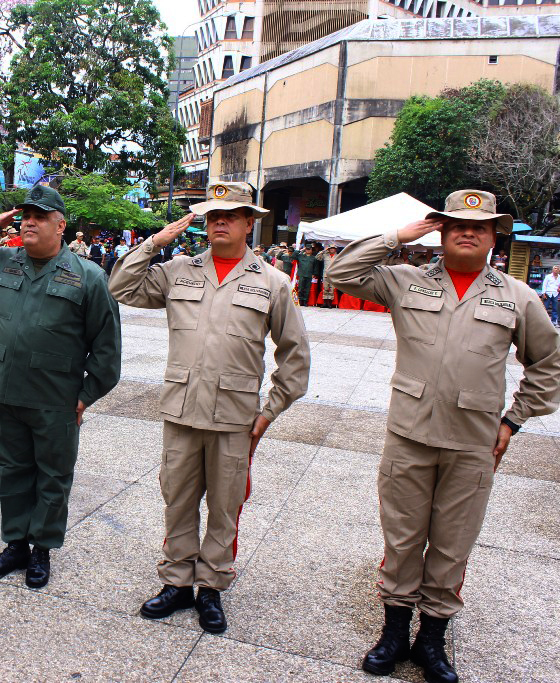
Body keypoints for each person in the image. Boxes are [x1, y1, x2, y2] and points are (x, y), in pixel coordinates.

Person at [326, 189, 560, 683]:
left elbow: (548, 363)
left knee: (453, 544)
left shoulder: (519, 297)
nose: (468, 231)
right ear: (441, 231)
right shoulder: (405, 282)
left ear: (496, 235)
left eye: (480, 225)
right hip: (409, 436)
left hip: (473, 443)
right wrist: (396, 237)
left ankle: (431, 639)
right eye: (455, 224)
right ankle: (394, 632)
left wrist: (514, 419)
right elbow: (340, 274)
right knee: (404, 537)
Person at [110, 181, 310, 635]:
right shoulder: (178, 270)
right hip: (181, 411)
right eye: (213, 215)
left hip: (235, 418)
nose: (220, 221)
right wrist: (155, 243)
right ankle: (178, 582)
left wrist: (269, 411)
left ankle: (212, 588)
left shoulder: (273, 283)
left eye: (231, 215)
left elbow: (295, 355)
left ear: (248, 223)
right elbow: (120, 285)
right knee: (177, 500)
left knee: (224, 507)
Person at [0, 185, 121, 589]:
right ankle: (15, 544)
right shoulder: (5, 262)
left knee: (52, 476)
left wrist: (84, 396)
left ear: (61, 227)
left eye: (40, 216)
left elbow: (107, 349)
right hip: (5, 390)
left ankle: (41, 549)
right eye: (25, 214)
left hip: (55, 398)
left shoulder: (89, 277)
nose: (29, 221)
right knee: (11, 471)